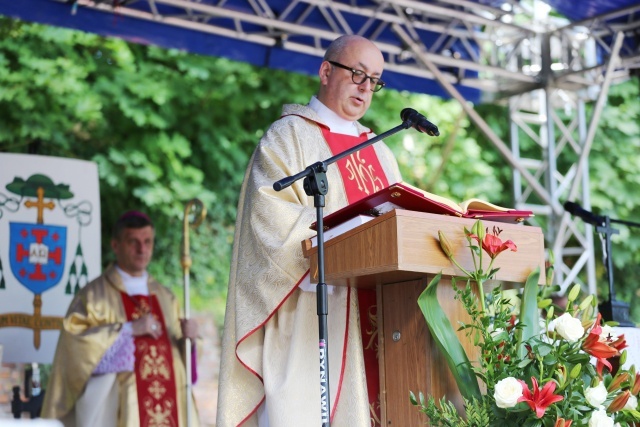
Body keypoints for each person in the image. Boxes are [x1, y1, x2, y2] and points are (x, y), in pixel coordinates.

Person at [216, 35, 402, 426]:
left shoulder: (379, 151)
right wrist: (342, 238)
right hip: (312, 318)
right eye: (358, 74)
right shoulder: (288, 137)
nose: (366, 87)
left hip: (379, 318)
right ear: (325, 71)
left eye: (375, 80)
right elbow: (269, 223)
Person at [42, 211, 200, 427]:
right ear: (115, 245)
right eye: (133, 242)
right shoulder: (93, 296)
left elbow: (183, 364)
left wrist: (189, 341)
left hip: (171, 404)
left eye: (147, 241)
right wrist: (127, 329)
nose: (142, 249)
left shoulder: (166, 297)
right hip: (123, 412)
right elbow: (74, 348)